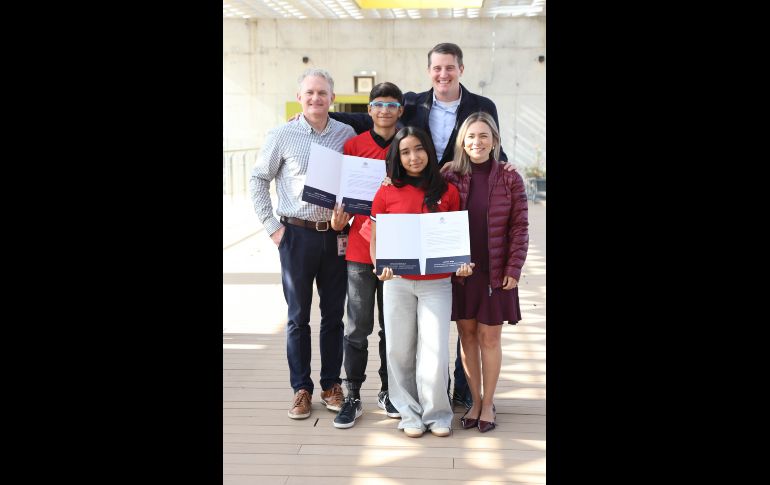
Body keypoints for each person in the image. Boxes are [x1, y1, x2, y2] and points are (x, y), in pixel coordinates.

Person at [328, 42, 514, 408]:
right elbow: (374, 119)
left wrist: (504, 164)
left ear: (461, 68)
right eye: (437, 68)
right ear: (429, 71)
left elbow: (491, 139)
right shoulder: (414, 102)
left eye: (450, 67)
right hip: (418, 204)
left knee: (460, 307)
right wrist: (323, 114)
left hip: (455, 200)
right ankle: (402, 392)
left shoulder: (482, 105)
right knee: (418, 316)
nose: (443, 74)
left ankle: (463, 388)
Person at [249, 68, 355, 420]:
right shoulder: (281, 134)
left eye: (322, 93)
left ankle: (330, 385)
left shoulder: (347, 134)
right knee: (297, 318)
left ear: (332, 98)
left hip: (336, 236)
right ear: (300, 97)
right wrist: (272, 228)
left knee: (333, 317)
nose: (315, 99)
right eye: (309, 93)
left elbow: (356, 182)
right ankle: (301, 388)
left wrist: (350, 217)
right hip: (295, 235)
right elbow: (258, 179)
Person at [369, 126, 474, 438]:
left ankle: (438, 414)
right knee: (400, 351)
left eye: (418, 149)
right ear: (397, 158)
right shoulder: (386, 192)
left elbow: (456, 239)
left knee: (435, 351)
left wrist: (461, 264)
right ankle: (409, 413)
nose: (413, 157)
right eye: (405, 152)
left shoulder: (448, 191)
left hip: (437, 284)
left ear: (428, 151)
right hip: (397, 281)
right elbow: (375, 238)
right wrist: (379, 266)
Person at [442, 112, 529, 433]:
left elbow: (520, 226)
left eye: (483, 136)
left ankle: (489, 402)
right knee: (467, 337)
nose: (476, 142)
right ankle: (475, 401)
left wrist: (514, 268)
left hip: (496, 272)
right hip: (463, 270)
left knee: (489, 338)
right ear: (462, 143)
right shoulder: (450, 176)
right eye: (471, 136)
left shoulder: (509, 177)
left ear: (494, 141)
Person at [329, 82, 405, 429]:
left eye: (391, 105)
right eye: (378, 104)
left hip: (399, 251)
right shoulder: (353, 146)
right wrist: (338, 218)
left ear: (400, 110)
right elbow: (341, 197)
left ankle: (391, 391)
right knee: (357, 327)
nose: (385, 110)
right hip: (360, 250)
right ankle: (353, 394)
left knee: (393, 327)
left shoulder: (410, 146)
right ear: (370, 110)